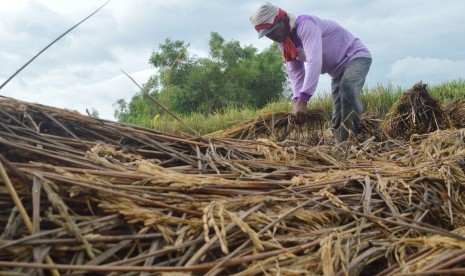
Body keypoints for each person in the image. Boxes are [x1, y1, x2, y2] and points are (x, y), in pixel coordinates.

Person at [250, 2, 372, 143]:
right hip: (337, 71)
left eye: (272, 31)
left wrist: (304, 99)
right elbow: (295, 73)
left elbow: (315, 61)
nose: (271, 37)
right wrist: (296, 100)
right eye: (267, 35)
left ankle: (348, 141)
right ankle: (338, 141)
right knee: (338, 110)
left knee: (347, 88)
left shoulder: (305, 25)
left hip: (355, 56)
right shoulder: (284, 43)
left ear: (282, 20)